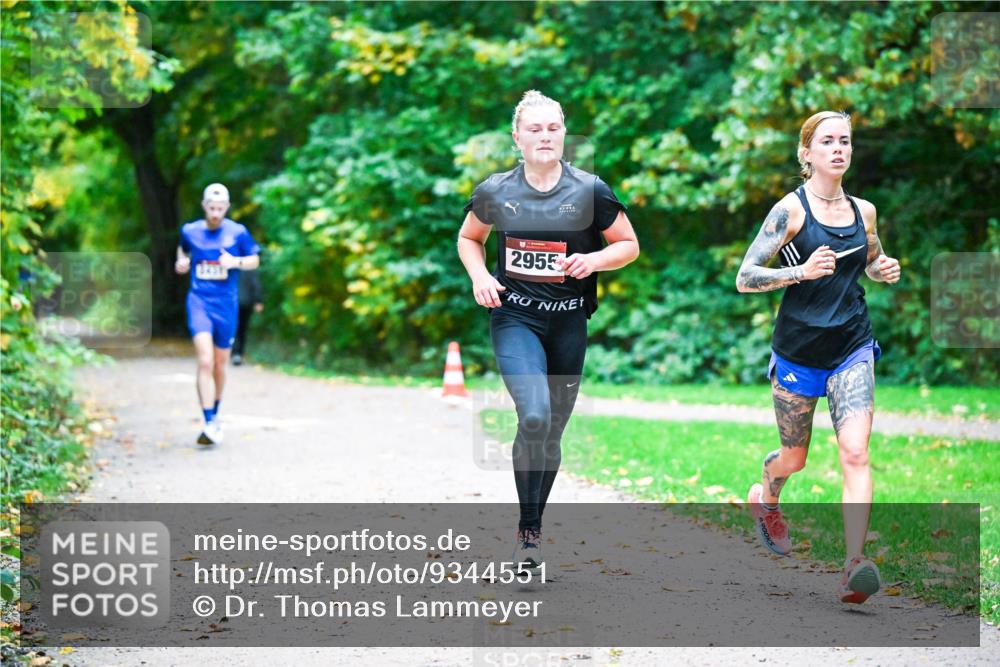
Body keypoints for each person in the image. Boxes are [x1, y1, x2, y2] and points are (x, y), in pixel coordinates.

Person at [457, 90, 640, 571]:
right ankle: (529, 533)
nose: (544, 136)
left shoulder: (590, 191)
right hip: (515, 316)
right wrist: (480, 276)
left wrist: (594, 259)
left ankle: (533, 530)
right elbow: (469, 237)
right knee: (534, 417)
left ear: (564, 134)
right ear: (517, 138)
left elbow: (628, 245)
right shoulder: (496, 191)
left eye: (553, 128)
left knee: (553, 430)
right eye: (534, 129)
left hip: (569, 321)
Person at [735, 111, 901, 603]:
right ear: (806, 153)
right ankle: (766, 496)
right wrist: (800, 273)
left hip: (851, 345)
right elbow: (745, 277)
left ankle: (855, 565)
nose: (838, 149)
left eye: (845, 141)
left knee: (855, 451)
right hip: (799, 350)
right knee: (796, 458)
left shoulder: (863, 211)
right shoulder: (790, 211)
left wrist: (881, 268)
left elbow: (868, 258)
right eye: (827, 141)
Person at [175, 183, 261, 445]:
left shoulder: (238, 232)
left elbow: (254, 259)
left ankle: (216, 413)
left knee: (220, 364)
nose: (215, 213)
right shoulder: (190, 231)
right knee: (205, 360)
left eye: (220, 208)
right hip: (199, 300)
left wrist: (235, 262)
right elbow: (183, 249)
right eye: (211, 208)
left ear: (227, 208)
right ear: (204, 206)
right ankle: (208, 420)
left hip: (227, 304)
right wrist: (182, 262)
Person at [233, 266, 264, 366]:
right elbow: (256, 285)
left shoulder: (231, 268)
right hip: (246, 303)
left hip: (232, 303)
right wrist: (258, 301)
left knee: (234, 328)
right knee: (242, 329)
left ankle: (235, 352)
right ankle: (239, 353)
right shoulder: (251, 269)